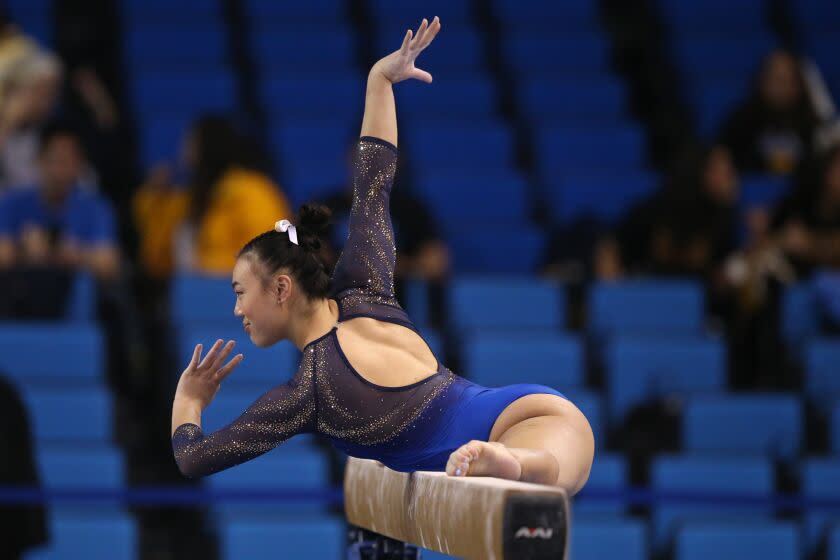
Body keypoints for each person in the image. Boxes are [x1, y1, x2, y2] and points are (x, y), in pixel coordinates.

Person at [170, 17, 594, 493]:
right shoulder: (365, 287)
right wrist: (380, 81)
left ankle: (512, 464)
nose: (237, 310)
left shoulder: (311, 390)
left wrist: (189, 399)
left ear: (282, 288)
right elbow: (375, 180)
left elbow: (193, 458)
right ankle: (517, 464)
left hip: (497, 436)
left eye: (241, 292)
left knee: (541, 472)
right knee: (558, 467)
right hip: (537, 411)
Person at [134, 115, 292, 278]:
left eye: (190, 144)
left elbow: (268, 258)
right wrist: (153, 197)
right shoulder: (188, 200)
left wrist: (205, 266)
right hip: (192, 295)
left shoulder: (254, 193)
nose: (184, 154)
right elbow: (155, 260)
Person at [718, 50, 820, 175]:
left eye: (787, 80)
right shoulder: (741, 120)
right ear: (762, 81)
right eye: (776, 79)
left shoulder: (812, 123)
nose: (781, 88)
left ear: (799, 86)